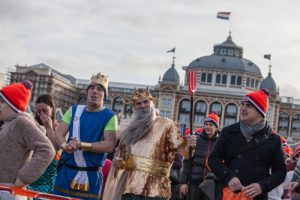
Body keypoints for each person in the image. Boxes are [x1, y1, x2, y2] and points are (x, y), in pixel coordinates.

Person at [102, 88, 182, 200]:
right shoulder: (130, 131)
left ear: (153, 103)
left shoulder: (167, 124)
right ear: (135, 107)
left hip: (155, 190)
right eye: (138, 103)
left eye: (145, 102)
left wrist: (190, 144)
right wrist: (120, 163)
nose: (142, 105)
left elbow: (184, 151)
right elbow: (124, 159)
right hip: (130, 189)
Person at [208, 89, 287, 200]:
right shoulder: (228, 132)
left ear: (260, 112)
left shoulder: (274, 140)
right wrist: (229, 177)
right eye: (243, 105)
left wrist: (262, 186)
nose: (243, 109)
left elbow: (280, 172)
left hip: (256, 197)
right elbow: (213, 159)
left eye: (249, 106)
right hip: (228, 194)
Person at [53, 72, 118, 200]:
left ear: (104, 96)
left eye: (99, 89)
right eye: (92, 88)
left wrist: (81, 145)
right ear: (87, 92)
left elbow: (109, 145)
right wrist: (64, 145)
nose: (94, 91)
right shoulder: (73, 110)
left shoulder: (110, 116)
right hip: (66, 172)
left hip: (91, 176)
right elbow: (59, 134)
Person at [0, 81, 55, 194]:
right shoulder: (9, 123)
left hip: (10, 190)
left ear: (12, 104)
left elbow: (47, 150)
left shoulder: (21, 122)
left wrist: (23, 178)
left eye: (1, 102)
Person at [180, 112, 220, 200]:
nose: (207, 127)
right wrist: (183, 182)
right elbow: (187, 162)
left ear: (216, 127)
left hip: (211, 184)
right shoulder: (196, 140)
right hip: (194, 184)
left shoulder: (220, 142)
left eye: (211, 125)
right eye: (206, 124)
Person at [28, 94, 60, 194]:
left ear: (52, 109)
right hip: (32, 176)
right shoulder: (32, 125)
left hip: (49, 180)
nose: (41, 114)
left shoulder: (59, 128)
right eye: (38, 111)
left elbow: (55, 151)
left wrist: (49, 128)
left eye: (45, 111)